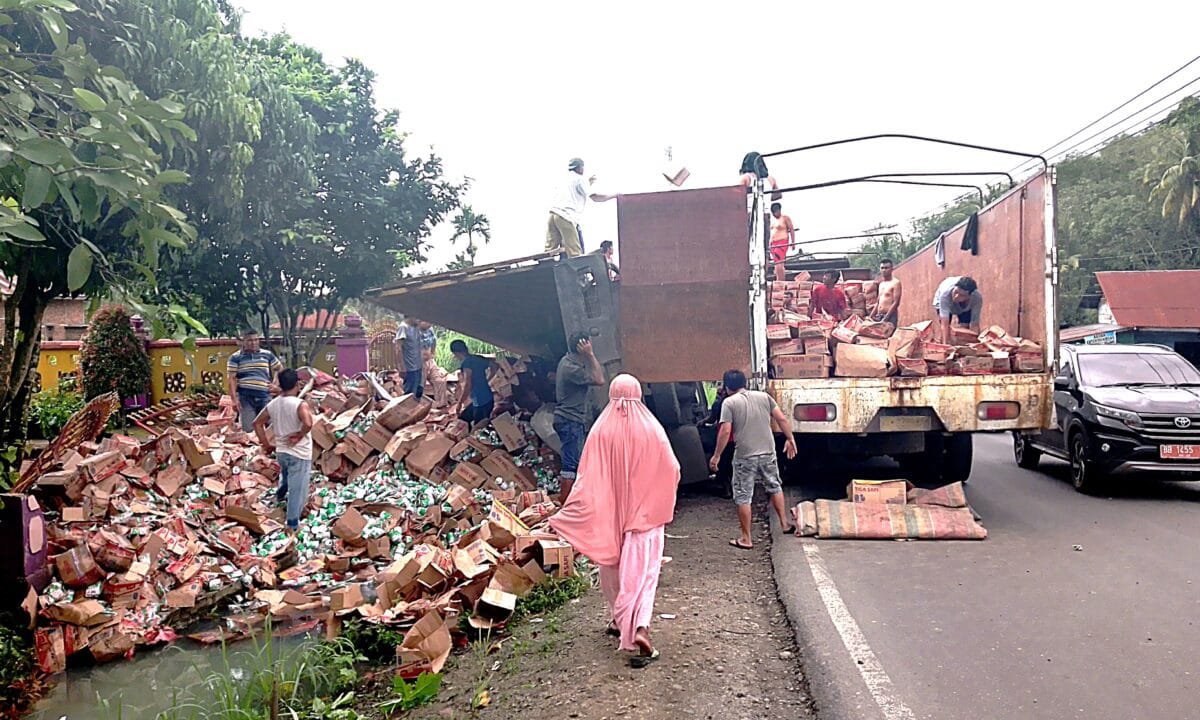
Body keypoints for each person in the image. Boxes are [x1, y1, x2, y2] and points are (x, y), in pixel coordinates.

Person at [549, 374, 679, 668]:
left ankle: (619, 620)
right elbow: (672, 467)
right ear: (637, 394)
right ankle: (640, 628)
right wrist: (656, 499)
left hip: (609, 521)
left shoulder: (600, 430)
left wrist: (573, 512)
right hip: (644, 521)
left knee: (612, 573)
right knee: (643, 576)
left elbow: (585, 477)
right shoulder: (651, 428)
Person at [710, 369, 797, 549]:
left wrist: (717, 455)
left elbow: (725, 431)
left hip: (745, 455)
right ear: (745, 383)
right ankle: (785, 524)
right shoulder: (764, 397)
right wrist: (790, 439)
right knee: (774, 485)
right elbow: (781, 419)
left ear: (727, 387)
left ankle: (746, 539)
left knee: (743, 496)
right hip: (768, 452)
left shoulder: (729, 403)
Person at [252, 368, 313, 534]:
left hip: (282, 451)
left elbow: (257, 423)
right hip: (299, 453)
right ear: (297, 384)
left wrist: (266, 444)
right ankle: (292, 524)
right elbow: (308, 423)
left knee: (285, 477)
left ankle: (278, 497)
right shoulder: (299, 404)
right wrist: (299, 435)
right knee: (297, 490)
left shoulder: (273, 404)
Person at [554, 333, 606, 501]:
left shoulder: (568, 362)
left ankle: (575, 502)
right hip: (570, 420)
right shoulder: (571, 368)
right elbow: (599, 380)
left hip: (571, 420)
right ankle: (565, 507)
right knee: (571, 464)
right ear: (583, 345)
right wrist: (590, 355)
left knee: (576, 463)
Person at [546, 157, 616, 258]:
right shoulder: (580, 179)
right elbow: (595, 198)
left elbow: (575, 189)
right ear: (580, 168)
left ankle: (544, 270)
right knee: (574, 252)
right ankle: (577, 273)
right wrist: (614, 196)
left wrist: (588, 182)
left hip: (552, 215)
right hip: (566, 216)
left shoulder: (564, 179)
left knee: (549, 252)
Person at [227, 330, 282, 432]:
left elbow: (279, 369)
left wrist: (275, 384)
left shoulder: (267, 354)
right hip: (246, 398)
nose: (253, 343)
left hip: (265, 396)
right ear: (243, 341)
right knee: (248, 430)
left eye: (256, 340)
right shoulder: (235, 358)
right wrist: (234, 400)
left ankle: (270, 447)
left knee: (273, 428)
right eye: (250, 340)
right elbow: (232, 379)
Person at [451, 339, 495, 423]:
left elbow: (468, 384)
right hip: (488, 397)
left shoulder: (466, 364)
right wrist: (488, 379)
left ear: (456, 353)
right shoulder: (477, 358)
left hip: (480, 401)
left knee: (478, 426)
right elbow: (494, 366)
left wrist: (459, 403)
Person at [933, 275, 983, 343]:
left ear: (969, 296)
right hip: (945, 302)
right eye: (956, 292)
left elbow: (975, 324)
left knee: (965, 329)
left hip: (965, 307)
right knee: (946, 330)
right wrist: (946, 345)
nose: (956, 296)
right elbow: (945, 324)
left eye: (962, 295)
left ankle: (962, 346)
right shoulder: (945, 295)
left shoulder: (976, 298)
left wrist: (975, 343)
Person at [393, 316, 423, 397]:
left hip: (418, 366)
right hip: (409, 367)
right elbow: (398, 349)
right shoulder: (403, 327)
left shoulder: (416, 327)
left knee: (417, 392)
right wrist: (401, 367)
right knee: (409, 394)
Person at [769, 203, 795, 281]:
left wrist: (793, 242)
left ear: (779, 210)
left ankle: (781, 280)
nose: (775, 214)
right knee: (776, 263)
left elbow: (791, 230)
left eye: (776, 212)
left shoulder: (785, 218)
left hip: (782, 241)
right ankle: (779, 279)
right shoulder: (774, 221)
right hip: (773, 243)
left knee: (779, 260)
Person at [873, 258, 903, 325]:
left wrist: (885, 319)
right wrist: (870, 316)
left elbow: (896, 303)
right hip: (879, 316)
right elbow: (878, 302)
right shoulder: (881, 284)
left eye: (886, 268)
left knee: (889, 335)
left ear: (892, 269)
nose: (884, 270)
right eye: (882, 268)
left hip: (890, 317)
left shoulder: (896, 283)